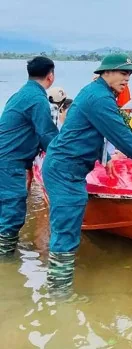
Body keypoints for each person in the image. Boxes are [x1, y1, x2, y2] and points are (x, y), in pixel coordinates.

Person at [42, 53, 132, 293]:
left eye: (129, 74)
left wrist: (105, 158)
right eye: (122, 73)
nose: (127, 79)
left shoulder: (97, 92)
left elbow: (98, 131)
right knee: (65, 231)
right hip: (65, 170)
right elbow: (119, 133)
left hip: (67, 168)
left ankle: (56, 289)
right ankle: (58, 295)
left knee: (67, 228)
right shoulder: (100, 98)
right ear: (105, 72)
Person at [0, 56, 58, 256]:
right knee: (12, 211)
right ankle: (5, 260)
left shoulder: (19, 95)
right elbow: (47, 134)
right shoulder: (37, 99)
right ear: (50, 76)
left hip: (7, 158)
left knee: (6, 208)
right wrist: (66, 156)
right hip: (9, 161)